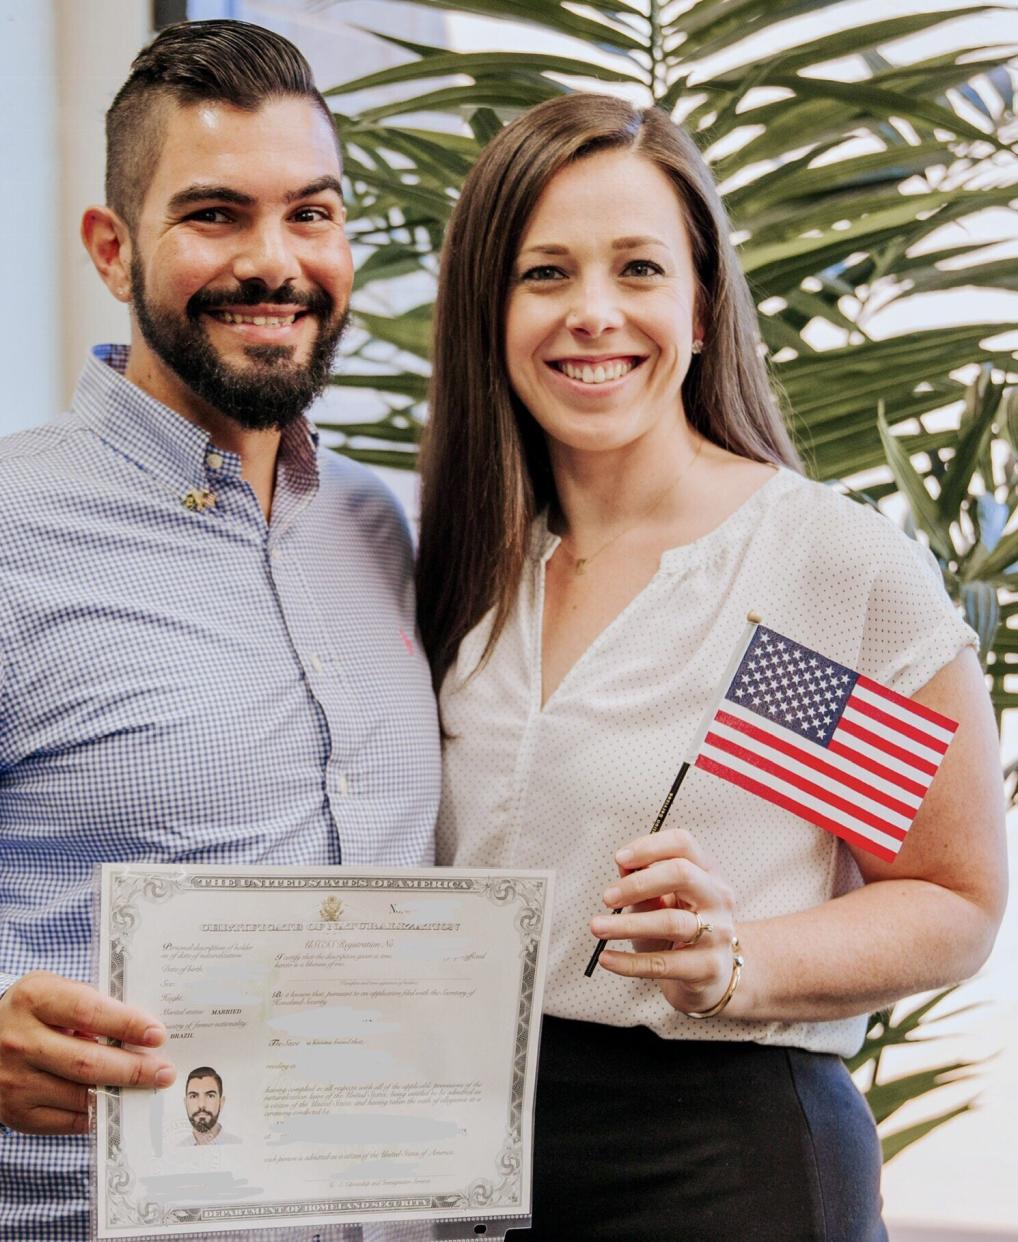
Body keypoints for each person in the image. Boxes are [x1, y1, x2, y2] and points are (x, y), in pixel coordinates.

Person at [0, 20, 439, 1242]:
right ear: (111, 245)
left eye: (311, 212)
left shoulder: (376, 532)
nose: (274, 259)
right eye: (215, 214)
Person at [419, 92, 1007, 1240]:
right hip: (467, 1164)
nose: (594, 314)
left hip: (719, 1164)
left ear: (700, 307)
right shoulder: (462, 567)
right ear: (488, 311)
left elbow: (947, 895)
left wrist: (735, 958)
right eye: (545, 274)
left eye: (638, 269)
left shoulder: (801, 575)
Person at [180, 1066, 240, 1145]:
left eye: (210, 1096)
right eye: (194, 1096)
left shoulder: (238, 1146)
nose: (201, 1105)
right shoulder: (178, 1150)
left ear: (221, 1103)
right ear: (185, 1103)